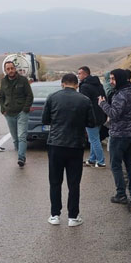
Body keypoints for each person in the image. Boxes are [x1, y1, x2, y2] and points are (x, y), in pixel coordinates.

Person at [42, 73, 95, 226]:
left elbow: (45, 120)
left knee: (55, 181)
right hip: (75, 145)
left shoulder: (52, 97)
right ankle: (73, 216)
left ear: (62, 83)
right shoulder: (84, 100)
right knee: (74, 182)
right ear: (76, 84)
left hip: (55, 144)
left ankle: (54, 215)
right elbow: (91, 123)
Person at [99, 68, 131, 204]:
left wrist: (102, 104)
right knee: (130, 164)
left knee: (116, 165)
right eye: (110, 79)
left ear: (119, 79)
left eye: (113, 79)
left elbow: (113, 114)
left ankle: (121, 195)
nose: (111, 82)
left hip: (119, 136)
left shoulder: (119, 96)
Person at [0, 60, 34, 167]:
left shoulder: (23, 80)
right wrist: (2, 109)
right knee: (15, 139)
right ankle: (19, 152)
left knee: (22, 136)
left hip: (21, 113)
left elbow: (29, 96)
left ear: (15, 68)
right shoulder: (3, 81)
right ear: (5, 70)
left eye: (12, 68)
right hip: (9, 113)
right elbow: (1, 96)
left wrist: (25, 109)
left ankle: (21, 157)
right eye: (8, 69)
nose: (10, 70)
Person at [76, 65, 107, 168]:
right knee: (94, 138)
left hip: (91, 117)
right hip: (100, 114)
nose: (78, 75)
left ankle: (101, 161)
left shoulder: (84, 86)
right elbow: (104, 98)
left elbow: (83, 103)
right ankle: (92, 160)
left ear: (85, 74)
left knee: (94, 139)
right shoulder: (99, 84)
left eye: (79, 73)